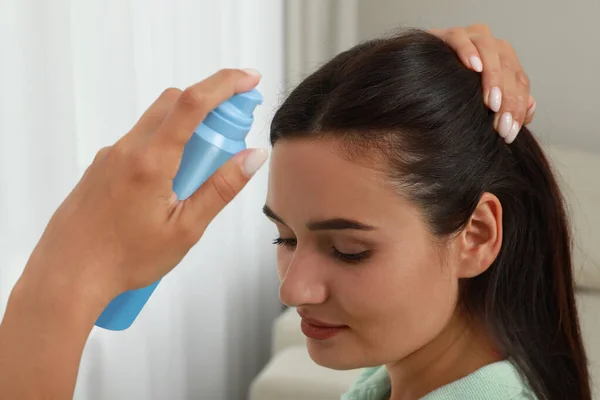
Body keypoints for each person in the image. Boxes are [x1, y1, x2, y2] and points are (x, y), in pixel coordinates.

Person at [0, 23, 582, 400]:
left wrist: (57, 292)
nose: (294, 288)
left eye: (349, 249)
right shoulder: (391, 382)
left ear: (476, 235)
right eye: (284, 238)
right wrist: (426, 84)